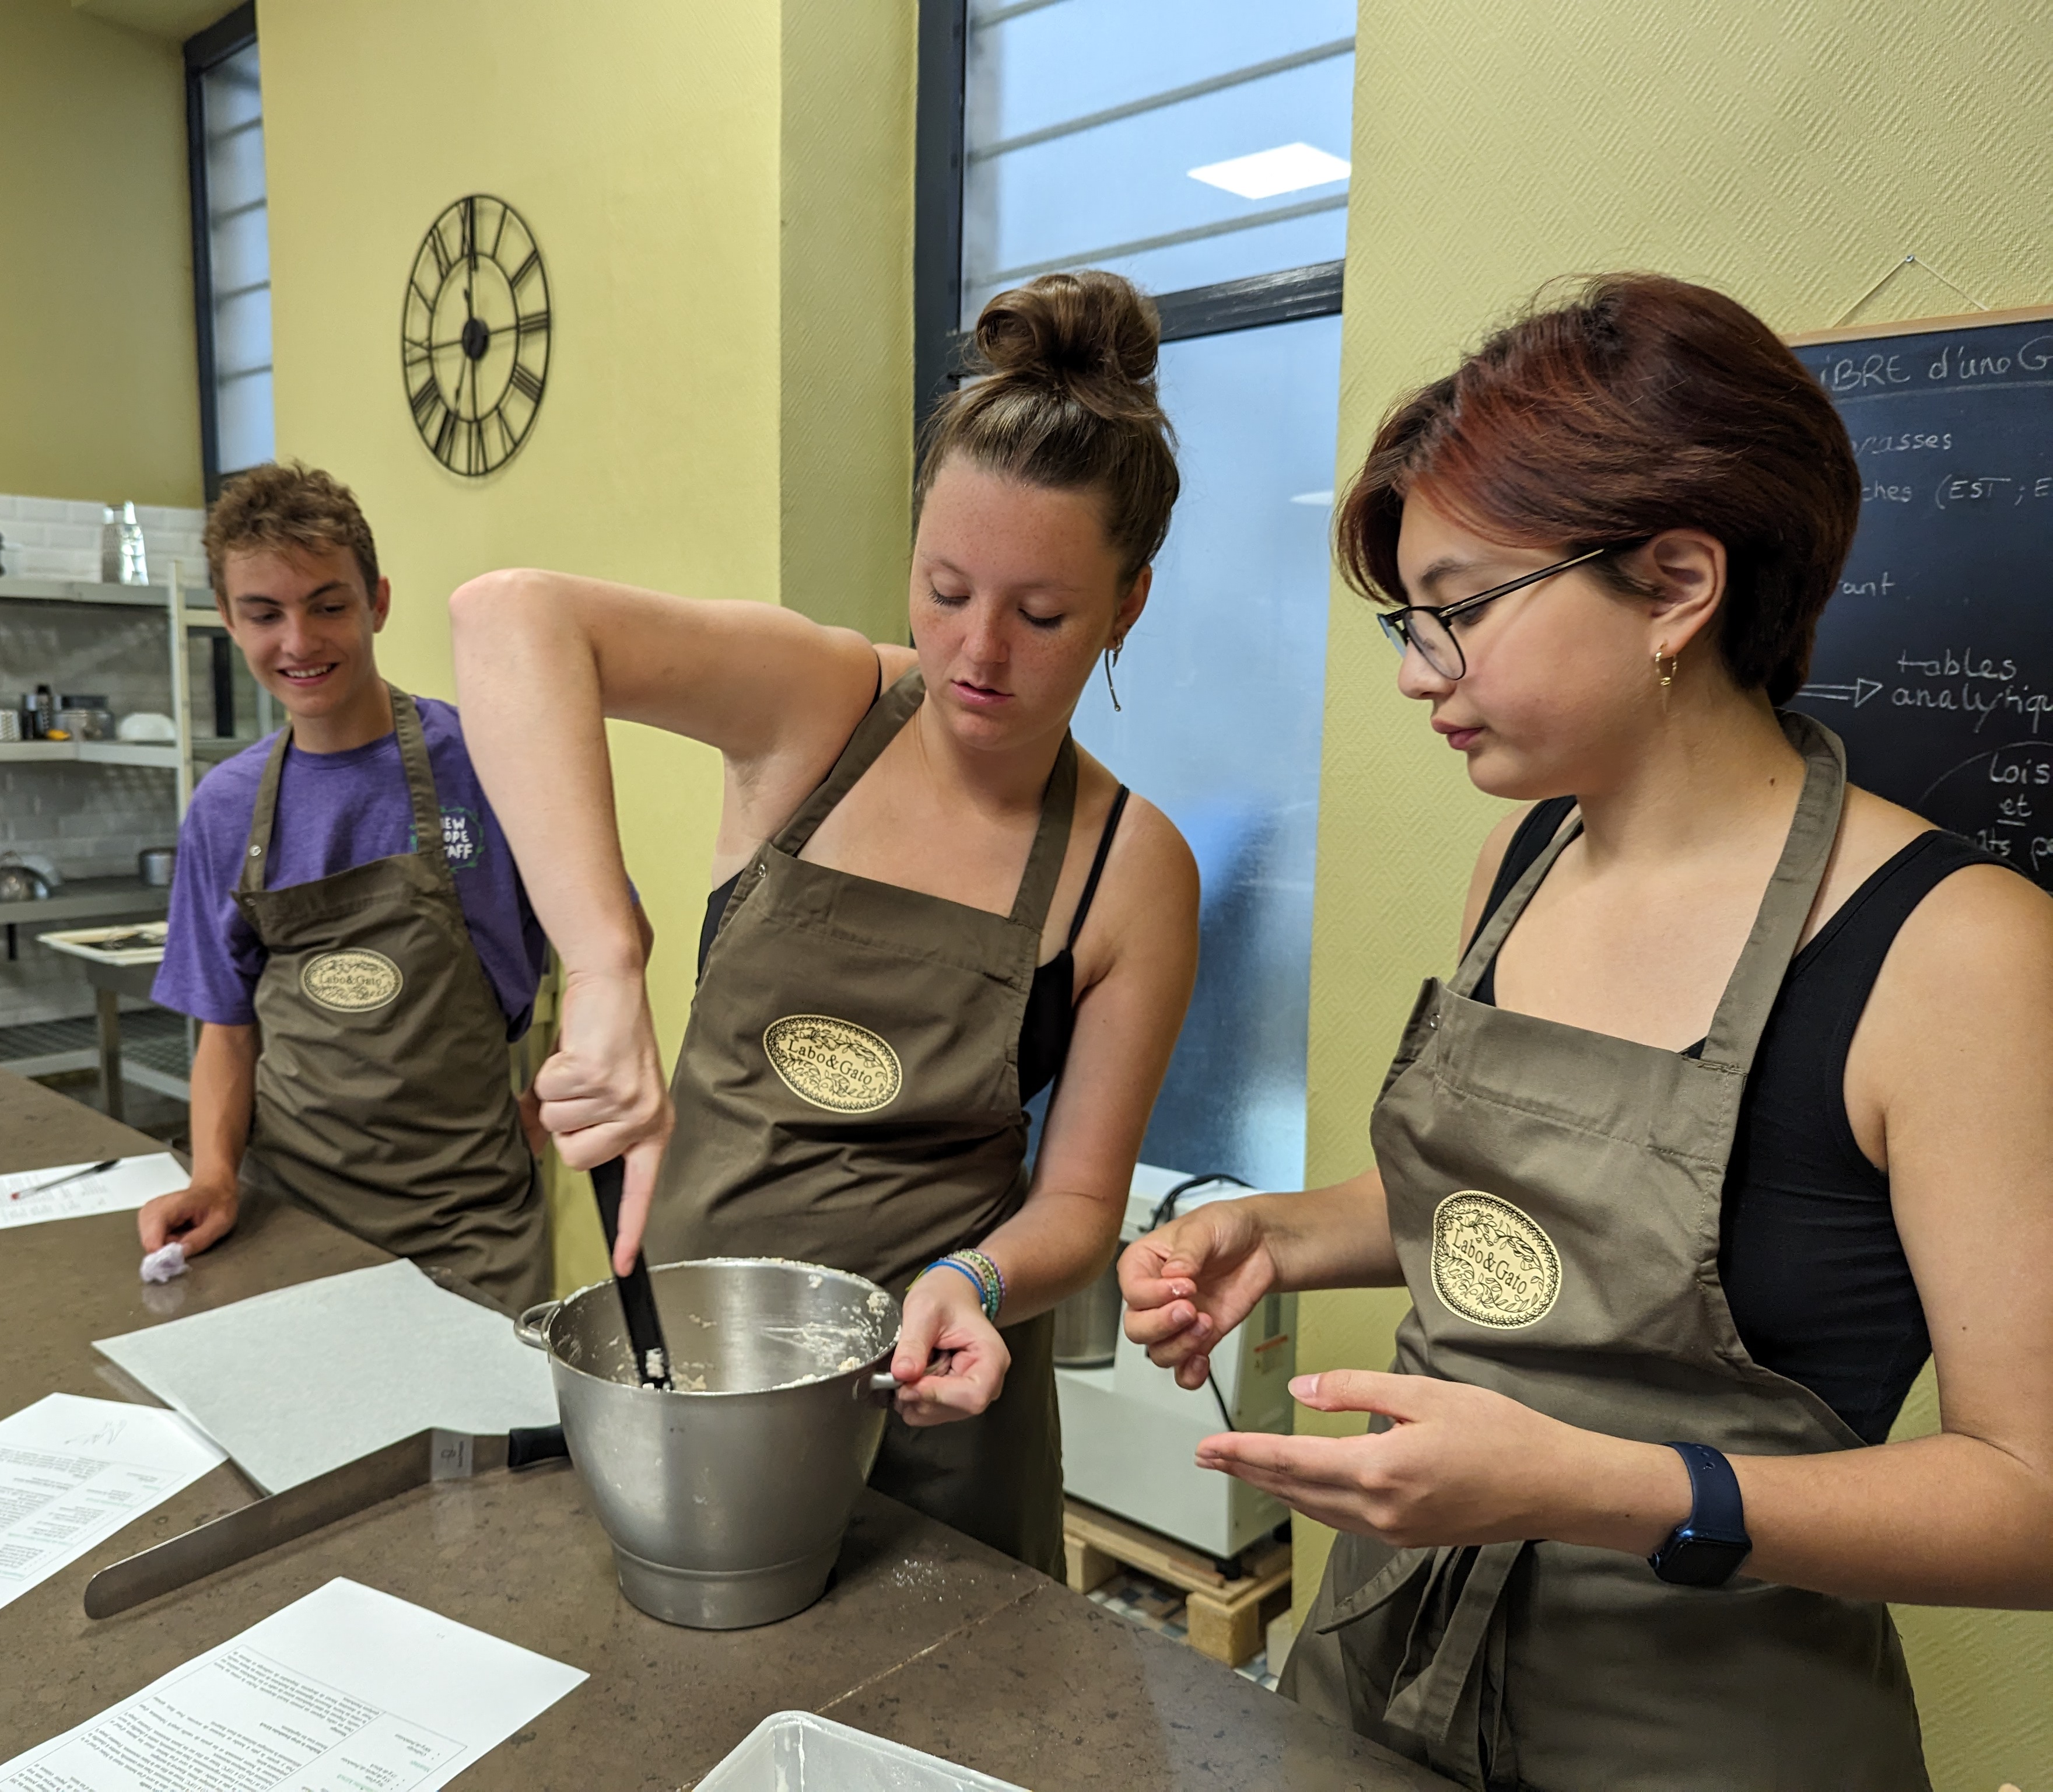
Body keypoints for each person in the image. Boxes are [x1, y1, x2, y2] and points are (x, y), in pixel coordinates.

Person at [1122, 274, 2053, 1788]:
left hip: (1705, 1740)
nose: (1425, 676)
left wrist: (1586, 1487)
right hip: (1382, 1680)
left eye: (1461, 615)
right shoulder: (1523, 860)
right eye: (1408, 628)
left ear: (1678, 586)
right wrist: (1279, 1236)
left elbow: (2032, 1499)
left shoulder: (1953, 953)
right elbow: (1512, 1208)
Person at [447, 271, 1200, 1574]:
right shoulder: (820, 708)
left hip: (936, 1415)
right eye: (946, 587)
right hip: (691, 1381)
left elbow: (1079, 1199)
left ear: (1127, 604)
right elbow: (508, 617)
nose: (979, 653)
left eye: (1043, 615)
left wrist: (980, 1283)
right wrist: (606, 966)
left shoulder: (1132, 869)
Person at [140, 461, 600, 1315]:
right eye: (264, 613)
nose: (299, 642)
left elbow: (606, 945)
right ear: (227, 620)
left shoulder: (490, 762)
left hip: (472, 1229)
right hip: (290, 1215)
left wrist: (548, 1101)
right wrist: (214, 1175)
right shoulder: (225, 809)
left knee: (476, 1445)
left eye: (328, 604)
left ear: (378, 601)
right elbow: (227, 1027)